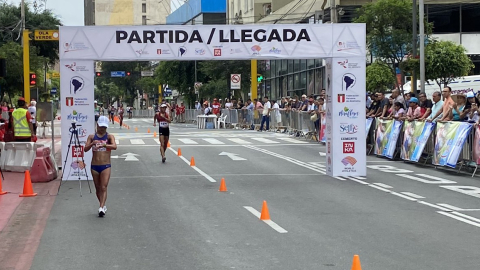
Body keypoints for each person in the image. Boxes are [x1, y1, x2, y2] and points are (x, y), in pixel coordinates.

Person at [84, 116, 117, 217]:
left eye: (104, 127)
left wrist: (104, 145)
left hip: (105, 165)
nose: (102, 129)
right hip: (94, 166)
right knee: (98, 188)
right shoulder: (91, 136)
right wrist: (93, 143)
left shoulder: (109, 137)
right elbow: (85, 149)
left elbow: (114, 146)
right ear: (97, 125)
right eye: (101, 126)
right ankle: (102, 205)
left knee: (104, 186)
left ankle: (101, 207)